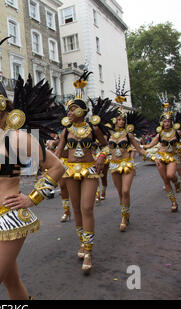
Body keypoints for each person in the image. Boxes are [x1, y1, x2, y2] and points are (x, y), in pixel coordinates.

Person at [0, 15, 64, 299]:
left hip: (10, 217)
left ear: (2, 103)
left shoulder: (16, 137)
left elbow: (56, 166)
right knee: (11, 283)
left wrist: (32, 198)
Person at [56, 70, 117, 275]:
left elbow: (107, 147)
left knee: (87, 208)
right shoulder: (66, 131)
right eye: (68, 110)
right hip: (71, 171)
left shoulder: (93, 129)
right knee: (76, 208)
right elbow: (58, 151)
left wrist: (101, 156)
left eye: (72, 109)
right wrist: (50, 164)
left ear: (82, 111)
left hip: (90, 170)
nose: (69, 113)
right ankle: (82, 242)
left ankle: (89, 250)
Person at [105, 86, 149, 231]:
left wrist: (151, 156)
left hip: (127, 164)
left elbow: (139, 148)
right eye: (118, 119)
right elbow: (103, 148)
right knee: (119, 193)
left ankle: (124, 217)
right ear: (114, 120)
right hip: (114, 165)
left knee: (125, 191)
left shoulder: (128, 135)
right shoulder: (109, 135)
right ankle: (126, 212)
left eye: (123, 119)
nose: (121, 122)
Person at [143, 94, 181, 212]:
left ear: (172, 122)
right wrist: (137, 145)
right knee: (165, 181)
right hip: (160, 158)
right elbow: (150, 145)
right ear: (162, 123)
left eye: (168, 121)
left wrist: (180, 148)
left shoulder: (178, 133)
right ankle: (173, 202)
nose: (167, 123)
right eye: (165, 121)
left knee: (170, 176)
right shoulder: (160, 135)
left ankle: (177, 182)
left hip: (173, 157)